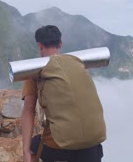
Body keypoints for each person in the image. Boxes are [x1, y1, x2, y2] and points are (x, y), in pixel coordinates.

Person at [21, 25, 104, 162]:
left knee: (34, 144)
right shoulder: (78, 65)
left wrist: (25, 152)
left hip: (59, 149)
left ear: (40, 45)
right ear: (60, 44)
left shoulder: (35, 71)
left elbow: (29, 110)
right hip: (93, 147)